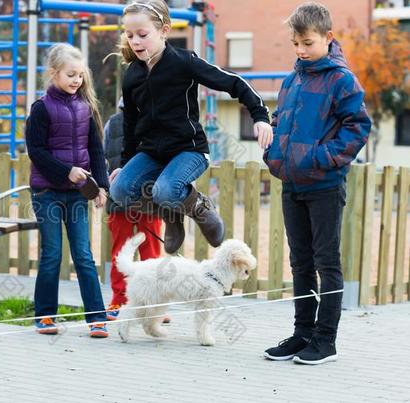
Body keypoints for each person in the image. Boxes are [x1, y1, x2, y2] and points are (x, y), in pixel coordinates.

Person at [109, 0, 273, 255]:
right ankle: (172, 211)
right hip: (152, 152)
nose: (135, 42)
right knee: (120, 191)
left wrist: (260, 115)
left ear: (164, 30)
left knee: (165, 190)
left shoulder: (183, 63)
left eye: (142, 35)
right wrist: (123, 163)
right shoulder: (133, 75)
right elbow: (130, 124)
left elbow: (233, 83)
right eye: (129, 36)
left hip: (189, 150)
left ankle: (199, 207)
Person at [263, 2, 371, 365]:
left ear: (327, 37)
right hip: (292, 184)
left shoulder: (341, 79)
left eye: (307, 43)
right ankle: (302, 334)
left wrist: (320, 159)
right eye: (295, 43)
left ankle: (326, 341)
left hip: (324, 185)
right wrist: (274, 151)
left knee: (327, 262)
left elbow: (358, 127)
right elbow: (281, 121)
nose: (300, 50)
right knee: (300, 262)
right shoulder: (292, 79)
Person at [25, 43, 110, 338]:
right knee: (52, 254)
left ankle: (97, 318)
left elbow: (96, 150)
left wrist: (101, 186)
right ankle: (45, 317)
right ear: (53, 74)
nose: (77, 80)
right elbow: (36, 151)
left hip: (77, 194)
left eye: (80, 75)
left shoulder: (87, 107)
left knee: (84, 255)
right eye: (71, 74)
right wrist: (66, 171)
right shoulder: (41, 108)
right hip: (46, 192)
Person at [103, 98, 164, 321]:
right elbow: (104, 156)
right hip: (119, 196)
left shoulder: (159, 122)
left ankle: (154, 306)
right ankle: (119, 300)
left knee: (151, 252)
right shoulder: (113, 123)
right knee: (120, 251)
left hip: (150, 196)